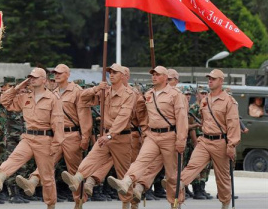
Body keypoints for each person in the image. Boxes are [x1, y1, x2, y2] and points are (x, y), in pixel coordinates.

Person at [108, 66, 188, 208]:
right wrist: (144, 131)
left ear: (165, 77)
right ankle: (126, 181)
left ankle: (175, 204)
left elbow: (182, 118)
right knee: (140, 161)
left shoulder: (176, 95)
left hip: (170, 136)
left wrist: (181, 140)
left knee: (171, 175)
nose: (154, 77)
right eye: (153, 74)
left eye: (157, 75)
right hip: (152, 135)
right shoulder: (149, 94)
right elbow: (141, 112)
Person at [0, 67, 64, 209]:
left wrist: (56, 145)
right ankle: (0, 178)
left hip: (45, 139)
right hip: (28, 137)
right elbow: (5, 101)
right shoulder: (25, 96)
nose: (32, 79)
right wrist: (18, 87)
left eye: (35, 77)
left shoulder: (52, 98)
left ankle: (51, 205)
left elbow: (58, 123)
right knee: (14, 158)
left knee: (47, 177)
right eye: (30, 77)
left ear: (44, 80)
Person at [61, 63, 136, 209]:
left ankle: (128, 204)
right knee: (91, 158)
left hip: (120, 137)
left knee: (123, 174)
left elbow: (123, 117)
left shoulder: (129, 94)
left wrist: (110, 135)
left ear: (122, 76)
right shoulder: (105, 91)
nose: (111, 75)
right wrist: (97, 88)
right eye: (110, 72)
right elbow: (83, 99)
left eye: (115, 72)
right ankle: (77, 178)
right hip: (105, 136)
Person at [17, 64, 92, 207]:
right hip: (54, 136)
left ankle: (79, 201)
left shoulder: (77, 91)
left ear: (68, 75)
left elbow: (84, 116)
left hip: (72, 135)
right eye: (54, 73)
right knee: (46, 163)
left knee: (74, 172)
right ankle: (33, 181)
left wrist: (85, 137)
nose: (56, 75)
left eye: (59, 73)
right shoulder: (52, 92)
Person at [179, 69, 241, 209]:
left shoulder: (229, 101)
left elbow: (233, 125)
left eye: (213, 78)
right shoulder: (205, 100)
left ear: (221, 81)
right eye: (209, 78)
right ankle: (180, 184)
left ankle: (225, 202)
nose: (210, 80)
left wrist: (231, 145)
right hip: (205, 140)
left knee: (223, 178)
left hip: (221, 142)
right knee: (192, 165)